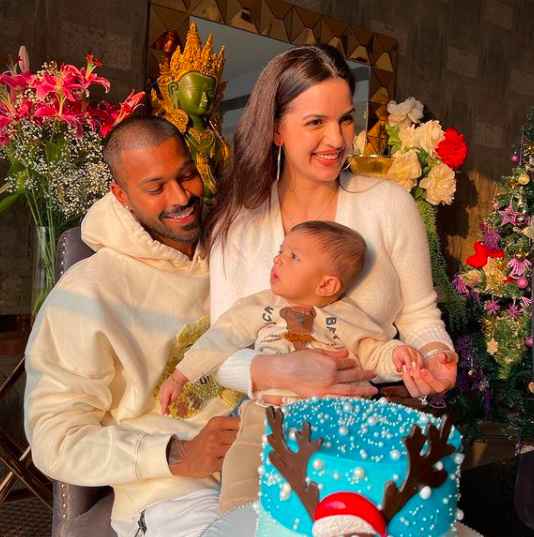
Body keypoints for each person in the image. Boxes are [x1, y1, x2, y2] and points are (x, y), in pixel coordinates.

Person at [23, 116, 376, 537]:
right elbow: (55, 438)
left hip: (291, 455)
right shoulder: (86, 292)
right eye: (155, 188)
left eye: (186, 175)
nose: (181, 197)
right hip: (177, 493)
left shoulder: (241, 246)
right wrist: (172, 454)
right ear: (120, 194)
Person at [160, 220, 428, 513]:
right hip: (265, 415)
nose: (279, 259)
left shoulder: (345, 318)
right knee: (242, 468)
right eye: (281, 251)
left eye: (293, 257)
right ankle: (237, 521)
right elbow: (221, 338)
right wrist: (181, 375)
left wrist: (399, 357)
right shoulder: (261, 307)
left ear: (326, 284)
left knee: (332, 489)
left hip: (326, 421)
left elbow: (373, 352)